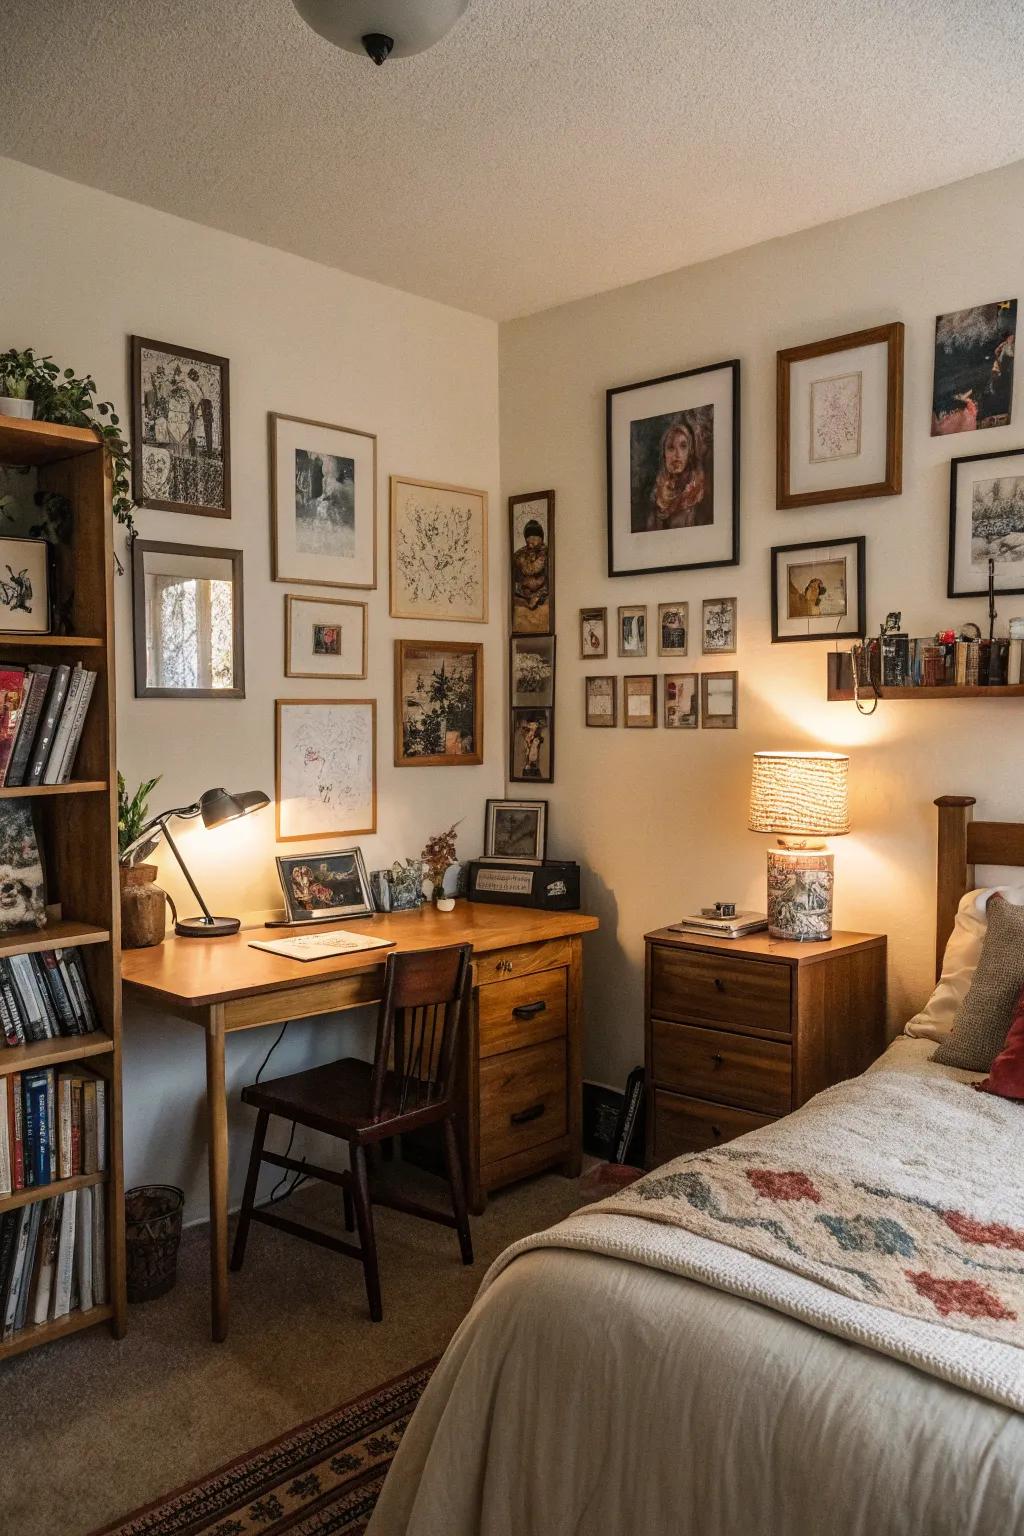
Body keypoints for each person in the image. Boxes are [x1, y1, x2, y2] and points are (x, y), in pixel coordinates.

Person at [646, 418, 711, 530]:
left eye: (683, 446)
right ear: (664, 455)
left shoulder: (700, 491)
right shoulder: (658, 494)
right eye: (671, 448)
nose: (677, 454)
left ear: (690, 452)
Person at [512, 519, 548, 617]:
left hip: (540, 584)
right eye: (528, 539)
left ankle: (536, 597)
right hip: (525, 586)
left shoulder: (545, 551)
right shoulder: (521, 552)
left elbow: (534, 568)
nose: (530, 543)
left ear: (540, 538)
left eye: (533, 539)